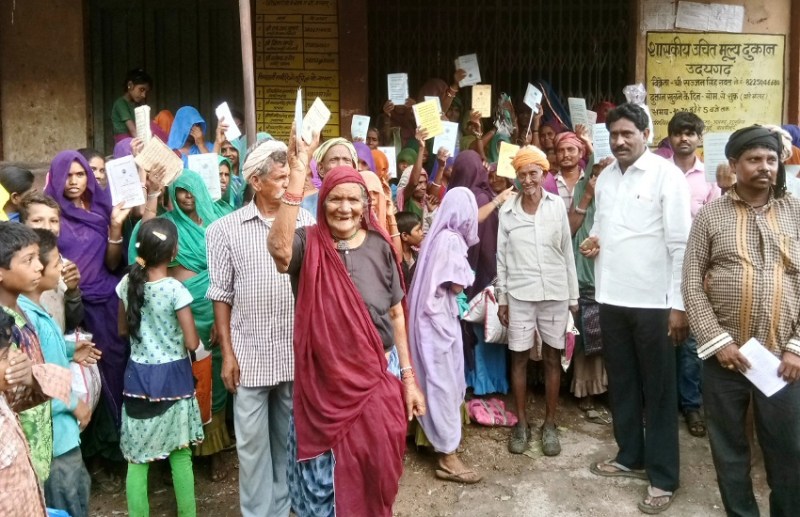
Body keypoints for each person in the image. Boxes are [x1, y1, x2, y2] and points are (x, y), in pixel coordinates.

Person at [268, 124, 425, 517]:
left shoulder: (380, 247)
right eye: (335, 199)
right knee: (323, 483)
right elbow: (279, 250)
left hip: (375, 380)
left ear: (365, 205)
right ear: (322, 203)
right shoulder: (308, 242)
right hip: (323, 386)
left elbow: (395, 314)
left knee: (377, 473)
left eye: (353, 200)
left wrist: (408, 379)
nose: (344, 208)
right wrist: (299, 169)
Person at [682, 125, 800, 517]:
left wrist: (796, 349)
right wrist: (718, 342)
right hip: (726, 360)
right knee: (730, 451)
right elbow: (691, 283)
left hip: (783, 362)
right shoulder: (711, 216)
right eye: (754, 160)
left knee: (788, 451)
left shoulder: (795, 212)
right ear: (734, 164)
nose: (764, 167)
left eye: (770, 160)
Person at [581, 103, 690, 514]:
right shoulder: (606, 177)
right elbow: (603, 226)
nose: (620, 141)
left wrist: (678, 306)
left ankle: (663, 477)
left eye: (628, 133)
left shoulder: (668, 177)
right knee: (622, 382)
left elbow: (681, 245)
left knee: (659, 391)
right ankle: (630, 456)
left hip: (655, 304)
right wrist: (595, 240)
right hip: (612, 297)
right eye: (614, 135)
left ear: (646, 133)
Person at [207, 138, 314, 516]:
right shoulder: (224, 230)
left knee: (288, 439)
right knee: (251, 447)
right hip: (249, 354)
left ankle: (283, 508)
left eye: (290, 176)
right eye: (281, 177)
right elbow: (221, 294)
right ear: (256, 181)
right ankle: (258, 512)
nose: (288, 184)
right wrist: (227, 355)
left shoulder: (307, 222)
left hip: (292, 349)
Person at [130, 169, 232, 481]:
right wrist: (152, 194)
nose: (187, 196)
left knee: (211, 378)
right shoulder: (168, 225)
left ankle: (212, 451)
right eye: (180, 191)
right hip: (175, 314)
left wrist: (221, 317)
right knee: (180, 380)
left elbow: (229, 272)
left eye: (191, 190)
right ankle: (175, 450)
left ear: (201, 190)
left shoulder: (218, 224)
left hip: (213, 309)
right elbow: (144, 247)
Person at [43, 150, 132, 491]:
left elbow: (112, 263)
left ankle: (116, 455)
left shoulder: (99, 211)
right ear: (57, 177)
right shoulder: (50, 217)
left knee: (114, 372)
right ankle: (93, 457)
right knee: (85, 377)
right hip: (74, 307)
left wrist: (114, 227)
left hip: (109, 303)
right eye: (68, 175)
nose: (75, 181)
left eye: (81, 175)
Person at [117, 218, 203, 516]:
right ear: (174, 251)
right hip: (174, 379)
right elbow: (192, 343)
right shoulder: (174, 290)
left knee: (137, 462)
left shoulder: (127, 284)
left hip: (138, 379)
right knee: (181, 455)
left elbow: (122, 330)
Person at [497, 145, 578, 457]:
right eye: (522, 174)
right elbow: (501, 258)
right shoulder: (507, 211)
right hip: (519, 293)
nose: (528, 179)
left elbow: (567, 253)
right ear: (516, 178)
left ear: (544, 174)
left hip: (555, 292)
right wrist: (502, 298)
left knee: (552, 358)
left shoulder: (556, 205)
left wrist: (572, 296)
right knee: (518, 357)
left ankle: (550, 424)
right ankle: (521, 424)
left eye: (534, 173)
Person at [18, 229, 99, 517]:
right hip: (55, 442)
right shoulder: (25, 319)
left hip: (62, 436)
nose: (54, 269)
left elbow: (44, 354)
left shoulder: (35, 310)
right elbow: (32, 382)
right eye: (55, 264)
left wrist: (68, 349)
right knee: (66, 502)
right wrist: (75, 403)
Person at [408, 187, 481, 484]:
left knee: (431, 379)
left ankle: (433, 439)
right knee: (443, 384)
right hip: (438, 322)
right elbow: (456, 286)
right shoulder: (451, 241)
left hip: (428, 320)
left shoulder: (436, 237)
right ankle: (447, 455)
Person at [667, 111, 719, 438]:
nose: (684, 138)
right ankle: (659, 404)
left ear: (700, 138)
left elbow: (716, 225)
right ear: (669, 138)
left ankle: (691, 405)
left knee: (690, 343)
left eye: (690, 133)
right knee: (660, 337)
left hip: (697, 267)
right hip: (660, 267)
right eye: (678, 133)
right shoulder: (658, 172)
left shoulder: (712, 178)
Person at [448, 150, 513, 396]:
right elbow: (486, 243)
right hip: (482, 274)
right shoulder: (483, 197)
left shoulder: (452, 197)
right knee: (484, 324)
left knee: (467, 325)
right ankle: (488, 383)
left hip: (459, 274)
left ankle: (470, 379)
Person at [0, 305, 72, 517]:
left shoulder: (4, 394)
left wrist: (28, 375)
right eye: (5, 356)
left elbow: (54, 384)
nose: (14, 360)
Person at [568, 157, 613, 421]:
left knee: (610, 338)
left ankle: (609, 390)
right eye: (595, 172)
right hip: (585, 277)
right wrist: (586, 196)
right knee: (586, 333)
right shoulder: (582, 193)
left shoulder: (621, 198)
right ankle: (585, 391)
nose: (600, 179)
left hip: (614, 278)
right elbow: (570, 230)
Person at [19, 192, 85, 333]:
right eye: (37, 220)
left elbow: (72, 322)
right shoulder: (15, 271)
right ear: (22, 225)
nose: (47, 227)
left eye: (53, 221)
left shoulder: (63, 265)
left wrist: (73, 292)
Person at [300, 136, 359, 213]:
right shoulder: (306, 205)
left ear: (354, 168)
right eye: (333, 160)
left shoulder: (361, 204)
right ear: (321, 169)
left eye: (346, 160)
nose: (341, 165)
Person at [111, 68, 152, 142]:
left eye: (146, 92)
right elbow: (132, 130)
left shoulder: (138, 105)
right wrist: (146, 145)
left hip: (136, 138)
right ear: (130, 85)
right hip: (124, 141)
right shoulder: (120, 103)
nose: (144, 95)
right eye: (141, 89)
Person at [396, 211, 423, 291]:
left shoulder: (417, 254)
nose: (422, 233)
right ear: (405, 236)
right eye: (418, 230)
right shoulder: (395, 260)